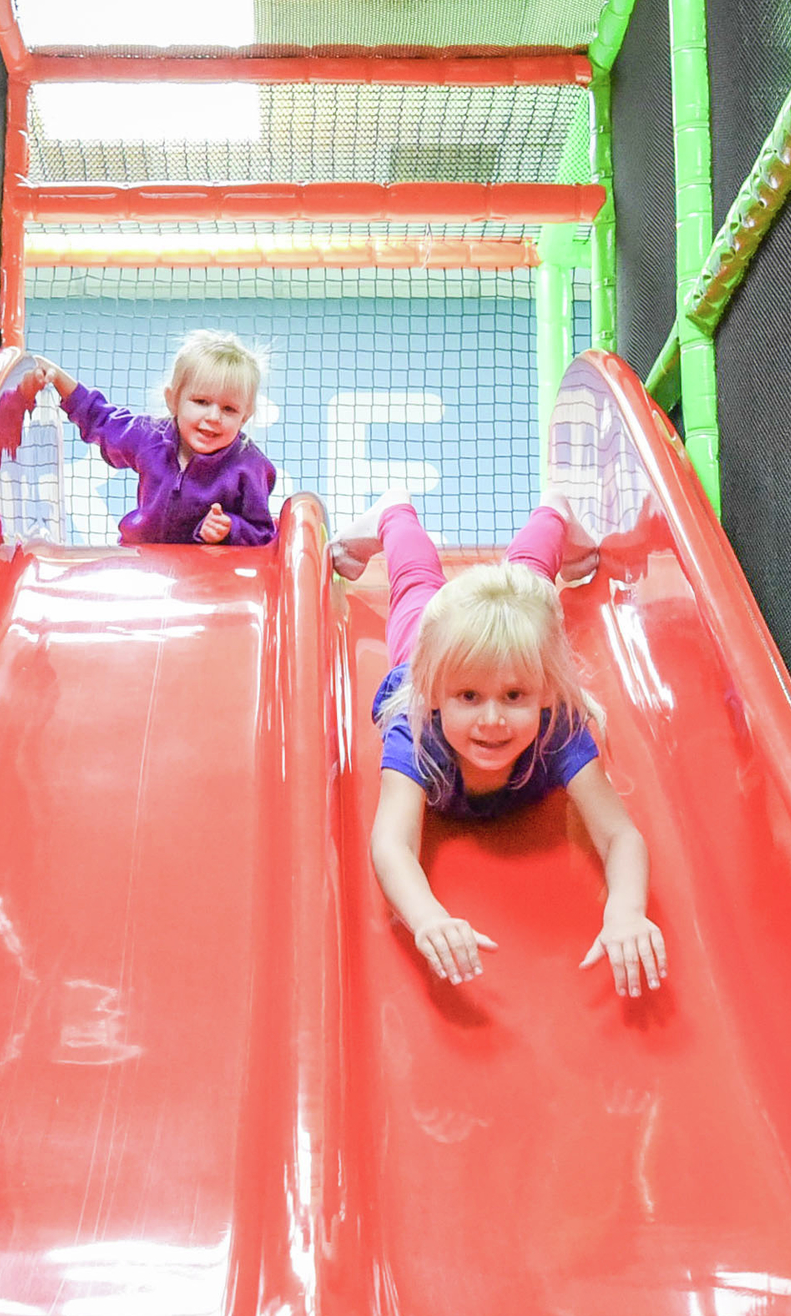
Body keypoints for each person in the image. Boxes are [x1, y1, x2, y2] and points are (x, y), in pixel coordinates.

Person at [333, 494, 667, 999]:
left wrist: (625, 911)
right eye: (468, 697)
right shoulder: (417, 724)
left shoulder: (556, 728)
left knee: (529, 583)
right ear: (436, 693)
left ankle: (554, 514)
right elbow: (391, 843)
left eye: (514, 696)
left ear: (545, 693)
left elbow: (620, 835)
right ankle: (393, 515)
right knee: (416, 587)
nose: (492, 720)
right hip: (424, 645)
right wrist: (428, 918)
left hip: (512, 638)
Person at [33, 330, 277, 545]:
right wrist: (59, 380)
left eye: (229, 409)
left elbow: (263, 533)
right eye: (201, 402)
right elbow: (101, 419)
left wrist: (230, 528)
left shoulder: (249, 467)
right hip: (143, 560)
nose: (214, 417)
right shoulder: (150, 437)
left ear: (244, 417)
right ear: (173, 400)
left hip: (205, 577)